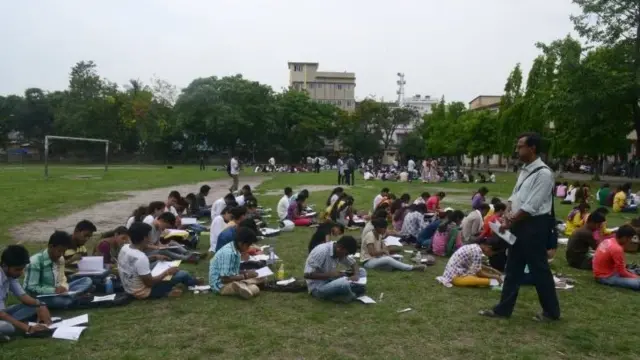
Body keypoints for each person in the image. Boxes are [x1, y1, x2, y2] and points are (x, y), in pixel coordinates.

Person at [479, 132, 560, 322]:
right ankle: (503, 309)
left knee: (539, 269)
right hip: (519, 224)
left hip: (533, 226)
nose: (517, 149)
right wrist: (507, 213)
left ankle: (551, 312)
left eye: (520, 146)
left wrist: (511, 219)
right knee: (513, 268)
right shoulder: (524, 170)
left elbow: (532, 205)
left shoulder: (544, 174)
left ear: (532, 148)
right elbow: (515, 197)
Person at [118, 222, 203, 299]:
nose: (150, 238)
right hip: (143, 292)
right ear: (144, 238)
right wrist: (167, 272)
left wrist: (154, 257)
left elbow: (133, 264)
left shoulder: (125, 248)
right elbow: (150, 283)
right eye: (149, 235)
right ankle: (192, 282)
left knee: (159, 263)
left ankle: (188, 281)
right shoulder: (141, 257)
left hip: (129, 287)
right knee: (183, 274)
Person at [23, 231, 93, 309]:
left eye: (64, 251)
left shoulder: (60, 258)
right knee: (61, 301)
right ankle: (76, 297)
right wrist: (54, 290)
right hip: (40, 296)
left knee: (87, 280)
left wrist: (64, 287)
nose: (61, 254)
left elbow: (62, 278)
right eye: (59, 251)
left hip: (58, 291)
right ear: (50, 246)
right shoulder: (35, 261)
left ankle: (73, 297)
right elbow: (31, 288)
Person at [0, 245, 53, 340]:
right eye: (17, 269)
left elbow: (24, 297)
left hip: (2, 312)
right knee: (8, 327)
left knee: (33, 307)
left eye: (22, 269)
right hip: (1, 314)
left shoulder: (9, 275)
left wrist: (41, 305)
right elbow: (1, 314)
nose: (21, 273)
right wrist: (28, 328)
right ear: (4, 265)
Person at [304, 236, 367, 302]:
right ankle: (352, 294)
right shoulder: (321, 251)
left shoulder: (339, 250)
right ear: (340, 248)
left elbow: (353, 264)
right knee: (343, 283)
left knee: (362, 271)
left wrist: (356, 275)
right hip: (317, 287)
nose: (345, 256)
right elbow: (307, 275)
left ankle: (347, 290)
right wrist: (330, 275)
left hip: (331, 280)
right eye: (346, 254)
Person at [209, 227, 263, 299]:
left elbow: (234, 271)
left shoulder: (235, 249)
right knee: (254, 288)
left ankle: (243, 285)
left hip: (231, 279)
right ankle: (243, 286)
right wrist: (246, 276)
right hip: (220, 285)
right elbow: (224, 279)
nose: (249, 248)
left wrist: (246, 272)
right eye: (248, 245)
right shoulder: (228, 253)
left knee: (262, 278)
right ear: (241, 243)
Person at [362, 218, 426, 271]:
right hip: (368, 261)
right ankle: (411, 268)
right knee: (388, 259)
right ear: (378, 228)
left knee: (397, 259)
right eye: (384, 228)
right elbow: (372, 253)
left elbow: (383, 248)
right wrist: (383, 251)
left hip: (377, 258)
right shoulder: (370, 236)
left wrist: (386, 250)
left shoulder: (379, 235)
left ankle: (390, 267)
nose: (385, 230)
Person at [437, 238, 505, 287]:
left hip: (455, 272)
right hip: (454, 277)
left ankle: (494, 281)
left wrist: (492, 270)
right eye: (493, 253)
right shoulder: (477, 251)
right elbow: (479, 272)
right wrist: (495, 277)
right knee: (478, 280)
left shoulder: (475, 247)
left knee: (477, 276)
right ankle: (493, 282)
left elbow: (477, 265)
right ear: (489, 248)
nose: (492, 255)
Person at [593, 225, 639, 290]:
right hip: (605, 277)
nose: (629, 241)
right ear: (625, 238)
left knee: (634, 272)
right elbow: (622, 272)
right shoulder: (617, 249)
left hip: (601, 273)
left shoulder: (608, 240)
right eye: (629, 239)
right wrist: (636, 277)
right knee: (638, 282)